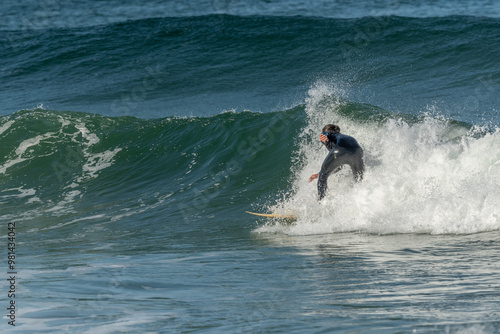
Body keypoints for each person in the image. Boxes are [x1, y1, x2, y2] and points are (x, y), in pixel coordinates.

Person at [308, 124, 364, 200]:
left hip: (339, 151)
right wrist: (319, 173)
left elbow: (325, 134)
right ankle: (361, 199)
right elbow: (338, 166)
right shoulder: (345, 137)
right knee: (359, 179)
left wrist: (323, 135)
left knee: (323, 176)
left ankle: (320, 202)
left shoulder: (328, 135)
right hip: (357, 152)